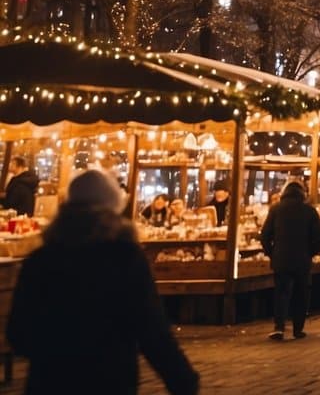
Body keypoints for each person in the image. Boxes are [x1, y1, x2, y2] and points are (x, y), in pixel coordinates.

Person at [7, 168, 198, 394]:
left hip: (50, 380)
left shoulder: (41, 259)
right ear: (114, 207)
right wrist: (181, 378)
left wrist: (55, 348)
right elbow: (151, 327)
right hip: (109, 378)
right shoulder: (125, 258)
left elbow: (19, 332)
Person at [260, 181, 320, 341]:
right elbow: (319, 236)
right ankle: (298, 328)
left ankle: (279, 327)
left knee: (281, 293)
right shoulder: (309, 211)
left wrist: (272, 253)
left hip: (281, 259)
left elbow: (265, 235)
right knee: (301, 293)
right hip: (302, 259)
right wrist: (311, 252)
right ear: (302, 194)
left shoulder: (276, 209)